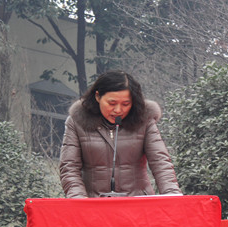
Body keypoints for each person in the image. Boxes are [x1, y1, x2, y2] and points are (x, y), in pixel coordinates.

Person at [59, 70, 181, 198]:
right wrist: (80, 201)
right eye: (112, 103)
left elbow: (160, 162)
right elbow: (69, 168)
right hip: (93, 203)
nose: (118, 110)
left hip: (137, 203)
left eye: (125, 104)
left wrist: (173, 197)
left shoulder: (144, 120)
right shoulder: (77, 122)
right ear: (98, 97)